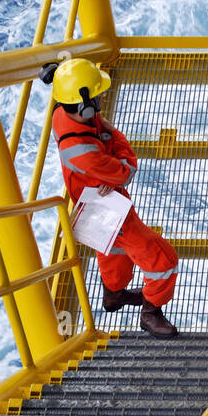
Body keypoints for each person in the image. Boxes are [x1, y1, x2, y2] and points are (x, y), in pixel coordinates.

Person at [39, 58, 179, 338]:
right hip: (106, 201)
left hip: (90, 197)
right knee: (163, 260)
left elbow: (109, 153)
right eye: (98, 93)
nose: (103, 96)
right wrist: (112, 135)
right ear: (85, 106)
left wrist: (105, 137)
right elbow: (127, 169)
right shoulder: (84, 151)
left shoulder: (63, 111)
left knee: (112, 248)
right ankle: (151, 314)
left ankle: (114, 296)